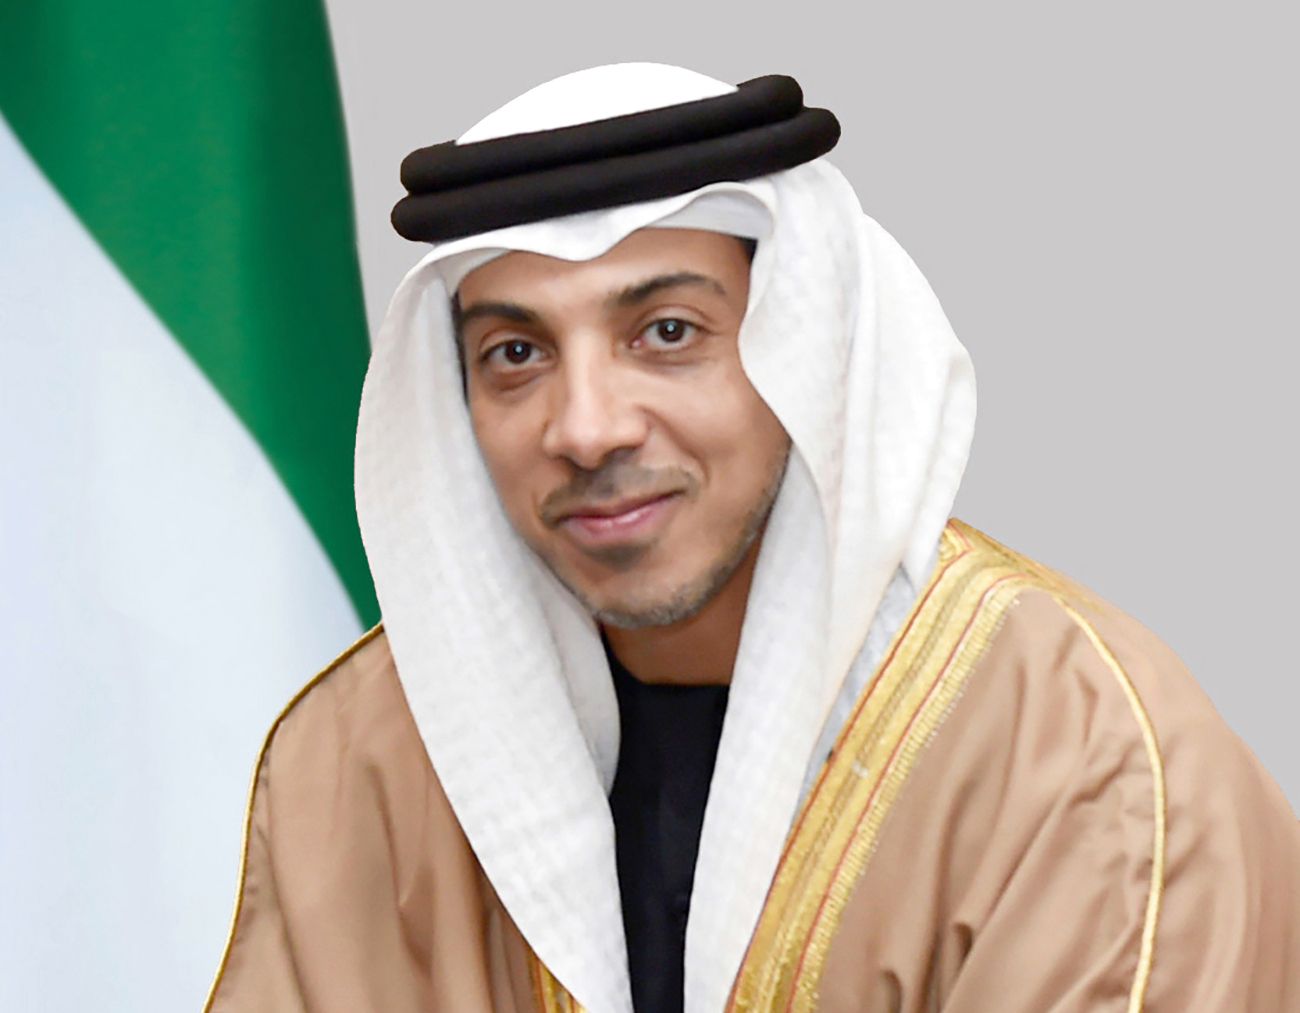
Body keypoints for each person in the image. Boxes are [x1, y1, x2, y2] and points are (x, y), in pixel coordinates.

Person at [205, 65, 1300, 1013]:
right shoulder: (359, 762)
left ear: (804, 348)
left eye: (666, 332)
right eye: (515, 354)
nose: (586, 427)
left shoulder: (1075, 756)